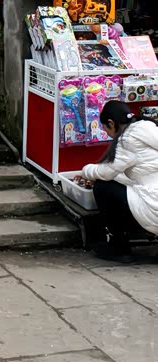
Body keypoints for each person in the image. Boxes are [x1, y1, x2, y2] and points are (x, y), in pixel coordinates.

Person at [78, 100, 158, 261]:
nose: (108, 134)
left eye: (106, 129)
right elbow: (133, 172)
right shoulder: (149, 128)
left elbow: (107, 173)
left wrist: (86, 171)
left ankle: (119, 247)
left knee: (103, 187)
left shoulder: (128, 140)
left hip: (154, 207)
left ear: (111, 123)